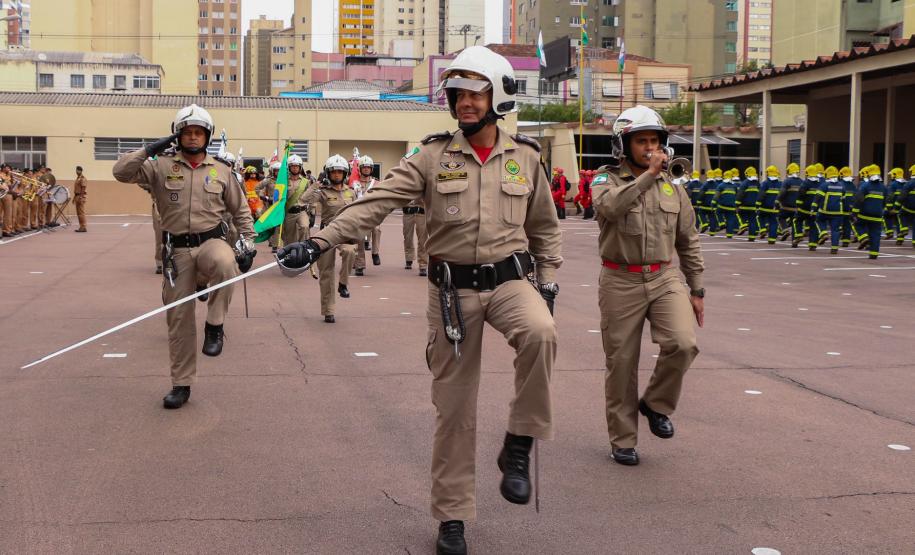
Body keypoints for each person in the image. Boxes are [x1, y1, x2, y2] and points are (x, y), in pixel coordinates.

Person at [275, 45, 561, 555]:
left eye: (474, 93)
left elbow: (544, 227)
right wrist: (319, 242)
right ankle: (453, 515)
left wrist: (550, 280)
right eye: (457, 94)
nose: (464, 102)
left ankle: (519, 442)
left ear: (498, 96)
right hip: (453, 292)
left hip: (511, 281)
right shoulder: (431, 156)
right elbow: (376, 202)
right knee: (454, 409)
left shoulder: (527, 158)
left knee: (541, 332)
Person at [112, 104, 256, 409]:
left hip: (211, 242)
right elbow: (120, 172)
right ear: (177, 135)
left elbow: (241, 210)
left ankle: (215, 325)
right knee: (179, 320)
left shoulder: (222, 171)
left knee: (225, 262)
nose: (193, 137)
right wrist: (150, 149)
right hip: (176, 253)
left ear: (207, 136)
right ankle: (182, 383)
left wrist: (248, 244)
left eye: (198, 132)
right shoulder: (159, 166)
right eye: (187, 132)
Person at [589, 105, 704, 467]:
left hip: (663, 276)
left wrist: (697, 289)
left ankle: (655, 404)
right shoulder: (605, 180)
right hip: (620, 278)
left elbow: (688, 240)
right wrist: (648, 176)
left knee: (683, 343)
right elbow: (609, 209)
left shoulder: (673, 186)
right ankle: (623, 439)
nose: (650, 148)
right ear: (623, 145)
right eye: (641, 141)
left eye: (655, 140)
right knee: (621, 363)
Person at [296, 154, 358, 323]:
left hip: (345, 233)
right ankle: (328, 311)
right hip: (327, 234)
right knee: (326, 273)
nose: (336, 175)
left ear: (345, 173)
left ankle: (343, 283)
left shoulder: (351, 192)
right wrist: (316, 184)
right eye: (333, 172)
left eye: (340, 172)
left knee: (350, 251)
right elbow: (303, 200)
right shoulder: (322, 192)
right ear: (328, 173)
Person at [353, 155, 383, 274]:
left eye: (368, 167)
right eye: (364, 167)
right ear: (360, 169)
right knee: (359, 238)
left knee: (376, 229)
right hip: (358, 214)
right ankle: (359, 265)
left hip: (372, 214)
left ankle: (375, 252)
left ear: (371, 169)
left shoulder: (377, 183)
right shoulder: (354, 183)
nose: (366, 169)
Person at [811, 166, 852, 254]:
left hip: (824, 211)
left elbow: (817, 198)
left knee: (818, 221)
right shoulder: (842, 186)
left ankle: (823, 233)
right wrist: (847, 211)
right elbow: (844, 200)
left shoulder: (824, 185)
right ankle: (834, 248)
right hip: (838, 212)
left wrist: (813, 208)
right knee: (835, 230)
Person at [852, 164, 887, 259]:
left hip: (864, 214)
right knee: (875, 234)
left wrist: (854, 213)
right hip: (877, 215)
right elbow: (885, 201)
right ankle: (874, 254)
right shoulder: (883, 187)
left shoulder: (865, 186)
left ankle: (863, 238)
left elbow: (858, 200)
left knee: (857, 225)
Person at [280, 154, 314, 249]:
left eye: (297, 166)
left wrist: (312, 213)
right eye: (292, 166)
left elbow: (311, 197)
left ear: (300, 167)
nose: (295, 168)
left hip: (301, 211)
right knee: (289, 237)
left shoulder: (306, 182)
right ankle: (290, 253)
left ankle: (303, 249)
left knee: (304, 227)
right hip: (288, 212)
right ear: (289, 168)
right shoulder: (284, 181)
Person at [402, 198, 429, 276]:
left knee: (423, 239)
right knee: (407, 237)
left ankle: (423, 265)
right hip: (408, 211)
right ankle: (409, 258)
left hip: (421, 212)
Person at [757, 165, 781, 244]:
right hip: (775, 208)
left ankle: (763, 229)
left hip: (764, 207)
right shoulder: (780, 184)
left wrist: (757, 204)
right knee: (773, 222)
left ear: (768, 173)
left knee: (760, 217)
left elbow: (761, 195)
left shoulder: (765, 183)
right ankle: (772, 239)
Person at [736, 166, 760, 241]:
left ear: (746, 174)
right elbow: (760, 194)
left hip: (744, 206)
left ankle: (744, 225)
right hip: (753, 207)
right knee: (752, 221)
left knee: (739, 215)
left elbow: (740, 194)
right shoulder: (757, 183)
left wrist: (737, 204)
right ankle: (751, 237)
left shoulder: (744, 183)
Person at [894, 164, 915, 247]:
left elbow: (902, 196)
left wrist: (896, 207)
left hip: (907, 208)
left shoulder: (909, 183)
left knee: (901, 215)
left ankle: (904, 229)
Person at [72, 166, 88, 232]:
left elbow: (83, 188)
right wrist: (74, 198)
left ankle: (83, 227)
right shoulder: (78, 178)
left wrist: (81, 197)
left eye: (78, 170)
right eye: (76, 170)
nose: (76, 171)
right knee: (78, 213)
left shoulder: (82, 178)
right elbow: (76, 190)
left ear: (80, 171)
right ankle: (81, 226)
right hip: (77, 196)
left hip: (80, 197)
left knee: (81, 213)